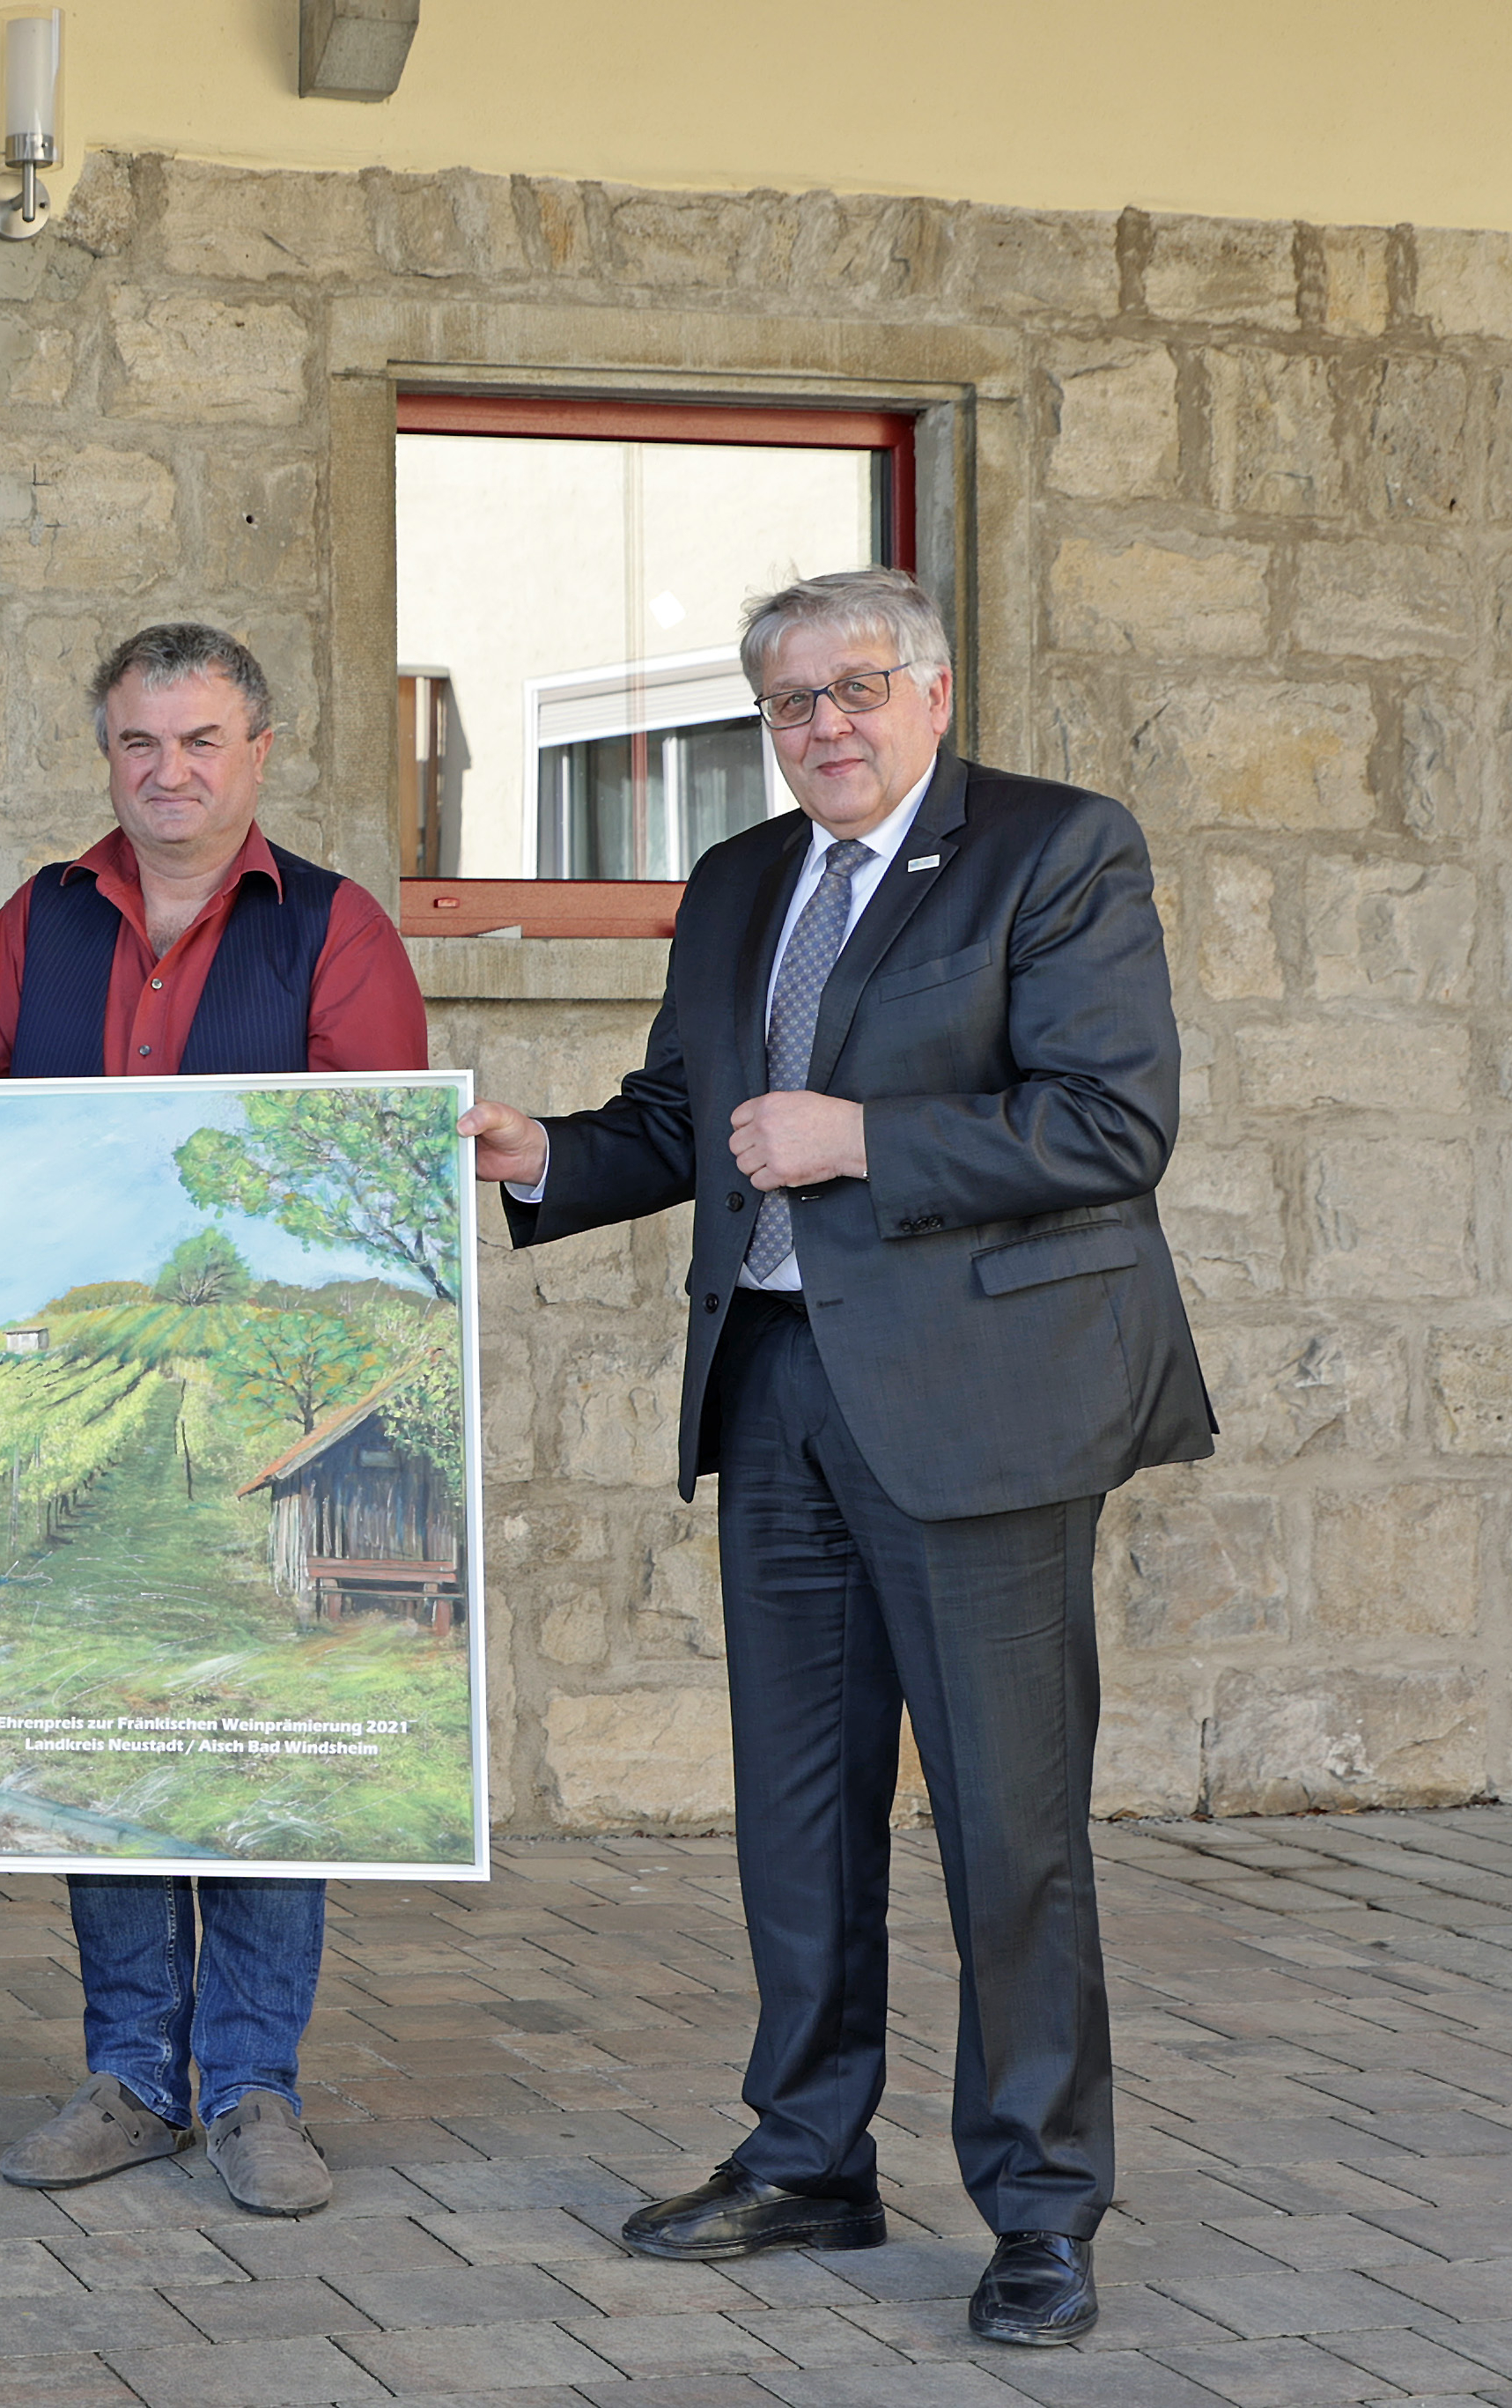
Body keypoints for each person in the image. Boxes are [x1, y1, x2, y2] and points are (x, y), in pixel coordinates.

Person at [458, 567, 1212, 2348]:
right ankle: (806, 2153)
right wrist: (536, 1154)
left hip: (981, 1405)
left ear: (932, 692)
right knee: (796, 1811)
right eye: (789, 701)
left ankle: (1040, 2207)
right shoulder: (737, 880)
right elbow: (688, 1117)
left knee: (1007, 1827)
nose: (823, 725)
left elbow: (1109, 1119)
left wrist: (862, 1134)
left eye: (856, 687)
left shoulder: (1053, 848)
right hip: (777, 1383)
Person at [0, 622, 427, 2220]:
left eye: (201, 740)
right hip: (105, 1386)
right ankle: (134, 2076)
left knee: (263, 1733)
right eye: (139, 741)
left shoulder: (337, 930)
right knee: (116, 1727)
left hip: (272, 1399)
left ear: (258, 751)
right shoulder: (40, 917)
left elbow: (377, 1165)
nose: (169, 771)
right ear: (106, 753)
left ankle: (258, 2085)